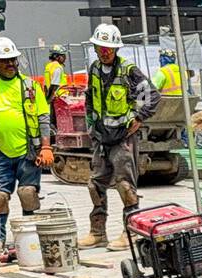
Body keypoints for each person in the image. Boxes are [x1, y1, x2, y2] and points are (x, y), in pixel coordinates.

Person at [79, 23, 159, 251]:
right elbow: (90, 100)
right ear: (95, 47)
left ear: (116, 49)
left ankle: (130, 233)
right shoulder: (94, 69)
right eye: (100, 47)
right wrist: (91, 126)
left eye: (109, 48)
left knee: (125, 186)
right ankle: (97, 232)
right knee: (95, 185)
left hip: (123, 139)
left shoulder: (128, 71)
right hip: (101, 139)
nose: (104, 51)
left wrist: (138, 118)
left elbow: (151, 95)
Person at [0, 37, 53, 259]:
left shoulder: (30, 86)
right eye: (4, 61)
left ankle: (29, 236)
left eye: (12, 60)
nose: (10, 64)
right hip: (0, 153)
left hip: (28, 152)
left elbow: (43, 117)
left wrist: (46, 147)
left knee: (28, 193)